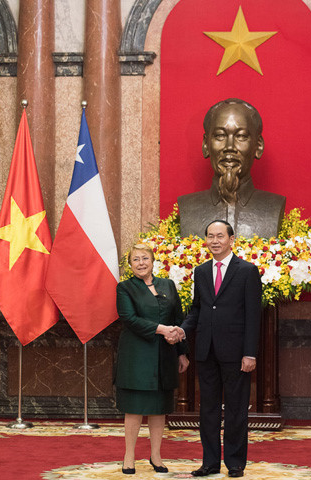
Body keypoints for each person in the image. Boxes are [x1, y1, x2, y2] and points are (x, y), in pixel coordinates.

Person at [178, 220, 263, 478]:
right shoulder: (201, 271)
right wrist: (182, 329)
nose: (215, 241)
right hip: (206, 351)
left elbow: (253, 316)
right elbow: (198, 308)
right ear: (205, 240)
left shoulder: (247, 271)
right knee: (208, 410)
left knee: (236, 410)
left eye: (220, 236)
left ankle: (235, 463)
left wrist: (250, 353)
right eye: (210, 236)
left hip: (237, 353)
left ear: (231, 239)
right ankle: (210, 463)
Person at [115, 243, 189, 475]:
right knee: (135, 408)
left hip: (165, 355)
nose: (141, 263)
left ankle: (156, 455)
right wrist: (161, 329)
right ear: (130, 265)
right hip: (136, 356)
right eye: (135, 259)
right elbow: (128, 318)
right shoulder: (124, 288)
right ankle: (129, 456)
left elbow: (179, 318)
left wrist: (182, 351)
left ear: (153, 260)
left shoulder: (167, 284)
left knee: (159, 409)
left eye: (145, 258)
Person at [178, 98, 285, 239]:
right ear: (206, 145)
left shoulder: (274, 206)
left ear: (258, 146)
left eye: (241, 136)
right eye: (220, 136)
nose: (229, 147)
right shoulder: (188, 207)